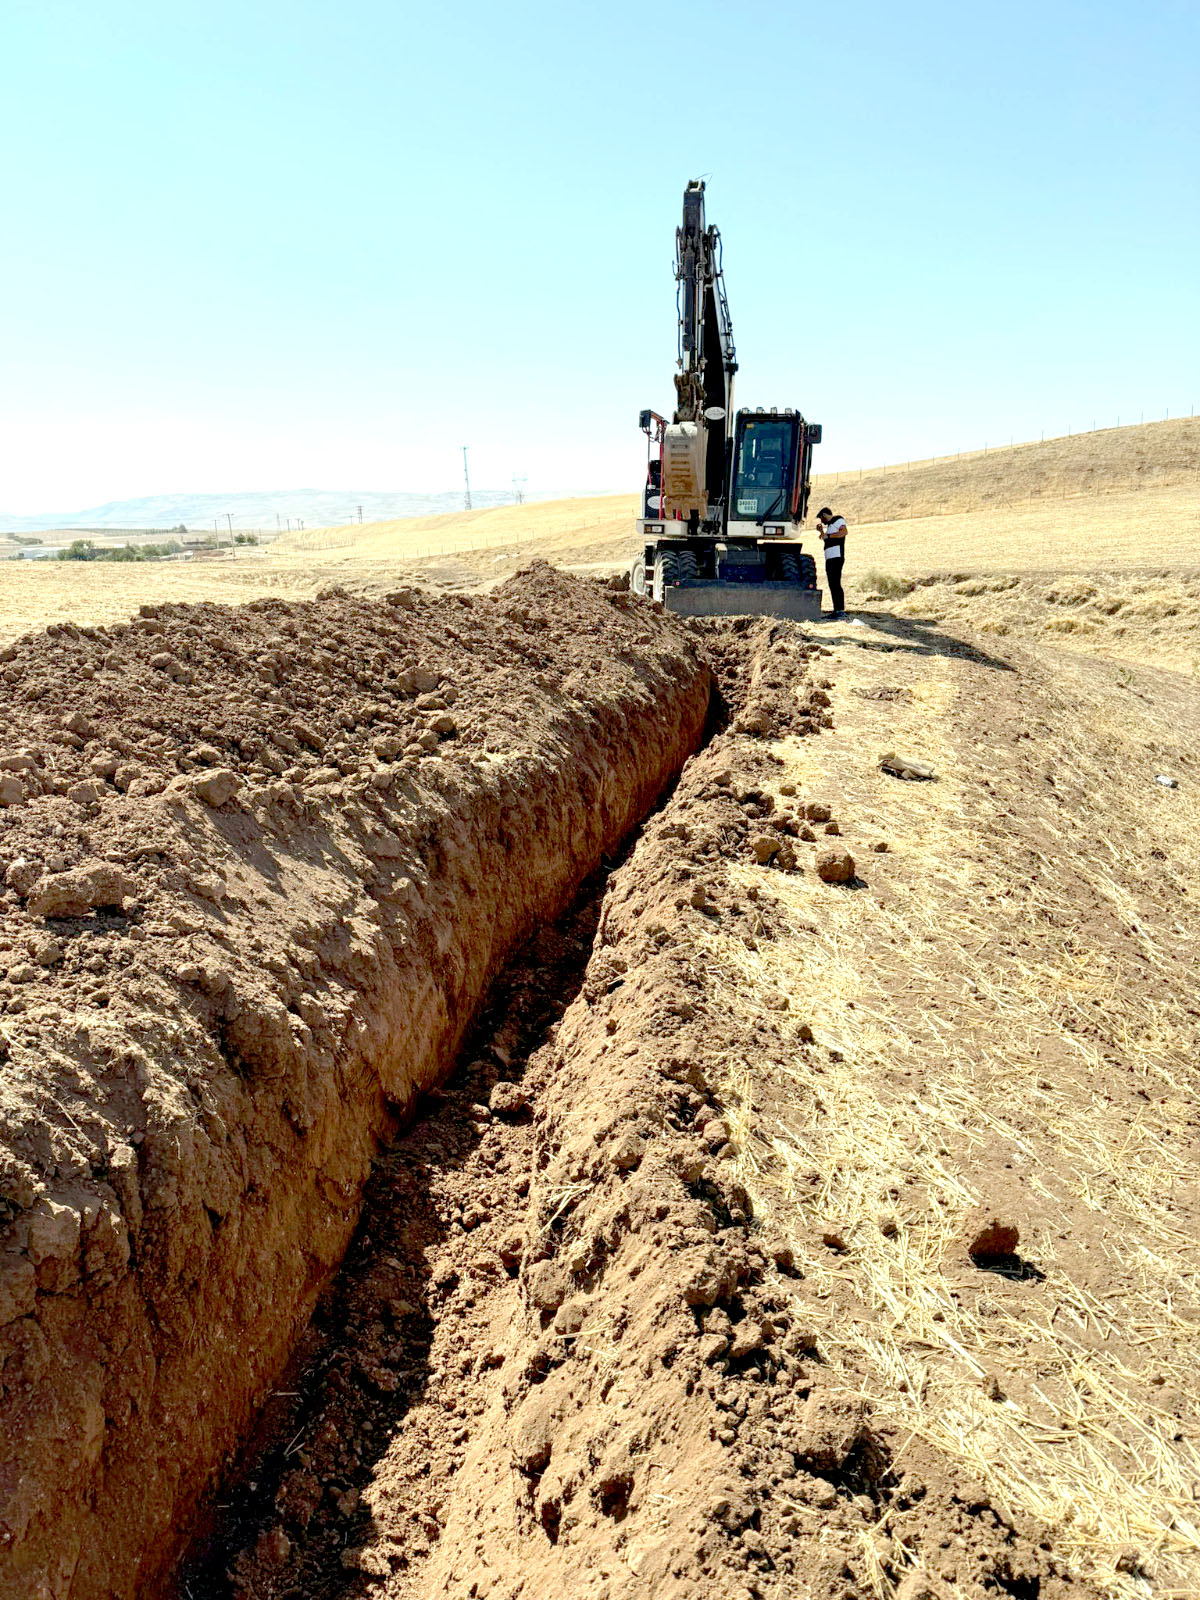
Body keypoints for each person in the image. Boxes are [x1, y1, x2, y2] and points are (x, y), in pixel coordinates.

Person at [815, 506, 847, 618]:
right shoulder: (829, 527)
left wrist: (828, 535)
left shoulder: (838, 520)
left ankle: (840, 610)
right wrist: (821, 532)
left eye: (821, 518)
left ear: (824, 515)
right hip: (830, 558)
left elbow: (843, 532)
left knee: (836, 583)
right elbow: (826, 539)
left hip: (836, 557)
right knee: (832, 583)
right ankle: (836, 610)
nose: (821, 521)